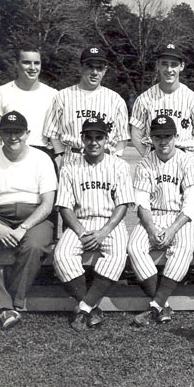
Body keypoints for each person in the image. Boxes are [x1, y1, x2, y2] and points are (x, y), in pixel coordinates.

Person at [0, 111, 57, 328]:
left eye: (18, 132)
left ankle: (11, 303)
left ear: (27, 133)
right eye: (7, 132)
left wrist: (24, 227)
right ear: (0, 134)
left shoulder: (41, 158)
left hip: (34, 215)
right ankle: (4, 307)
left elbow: (48, 203)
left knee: (35, 245)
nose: (13, 137)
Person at [52, 117, 134, 331]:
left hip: (110, 223)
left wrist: (104, 232)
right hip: (80, 222)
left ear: (107, 139)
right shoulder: (70, 167)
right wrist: (80, 232)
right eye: (89, 137)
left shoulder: (119, 166)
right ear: (82, 139)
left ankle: (85, 307)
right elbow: (64, 207)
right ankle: (92, 308)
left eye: (99, 137)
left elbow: (123, 204)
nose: (94, 142)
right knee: (61, 255)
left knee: (117, 256)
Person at [128, 116, 194, 326]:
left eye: (167, 136)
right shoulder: (145, 163)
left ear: (176, 137)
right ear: (151, 138)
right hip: (153, 216)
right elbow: (141, 202)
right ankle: (163, 304)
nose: (163, 141)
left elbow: (190, 204)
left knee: (184, 246)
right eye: (158, 137)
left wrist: (172, 230)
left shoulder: (187, 161)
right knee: (134, 247)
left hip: (180, 218)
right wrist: (151, 229)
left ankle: (156, 305)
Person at [42, 46, 129, 166]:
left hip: (105, 161)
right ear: (81, 67)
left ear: (105, 70)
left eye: (99, 68)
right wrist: (65, 154)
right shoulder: (63, 96)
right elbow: (52, 133)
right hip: (73, 160)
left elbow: (122, 138)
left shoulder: (115, 99)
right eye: (90, 66)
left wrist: (113, 158)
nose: (94, 72)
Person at [129, 43, 194, 159]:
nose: (169, 70)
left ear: (181, 66)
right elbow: (136, 136)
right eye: (164, 64)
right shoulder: (144, 99)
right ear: (158, 65)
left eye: (174, 65)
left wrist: (188, 160)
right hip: (154, 157)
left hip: (183, 155)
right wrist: (149, 158)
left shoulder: (193, 99)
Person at [0, 45, 58, 158]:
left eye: (37, 63)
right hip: (11, 154)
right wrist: (0, 156)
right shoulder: (2, 92)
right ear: (17, 64)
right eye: (27, 62)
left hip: (43, 156)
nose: (32, 68)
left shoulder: (53, 94)